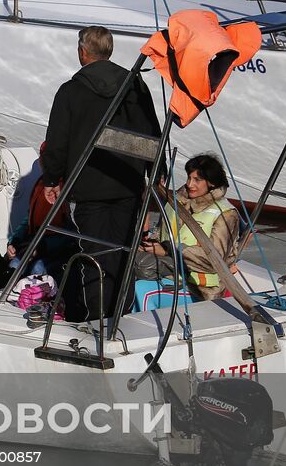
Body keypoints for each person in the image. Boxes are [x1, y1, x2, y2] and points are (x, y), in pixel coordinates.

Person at [40, 25, 161, 322]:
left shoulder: (71, 91)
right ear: (110, 52)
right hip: (128, 184)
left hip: (87, 187)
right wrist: (156, 173)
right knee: (122, 253)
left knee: (93, 255)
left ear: (83, 52)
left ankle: (97, 322)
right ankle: (121, 318)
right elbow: (151, 130)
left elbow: (58, 140)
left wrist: (51, 179)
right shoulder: (135, 86)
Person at [139, 154, 239, 301]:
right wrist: (148, 245)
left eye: (197, 180)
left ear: (211, 182)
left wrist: (168, 250)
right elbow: (162, 235)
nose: (190, 184)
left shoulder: (226, 214)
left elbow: (214, 261)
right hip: (169, 273)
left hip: (201, 289)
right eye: (189, 178)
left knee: (141, 291)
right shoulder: (176, 202)